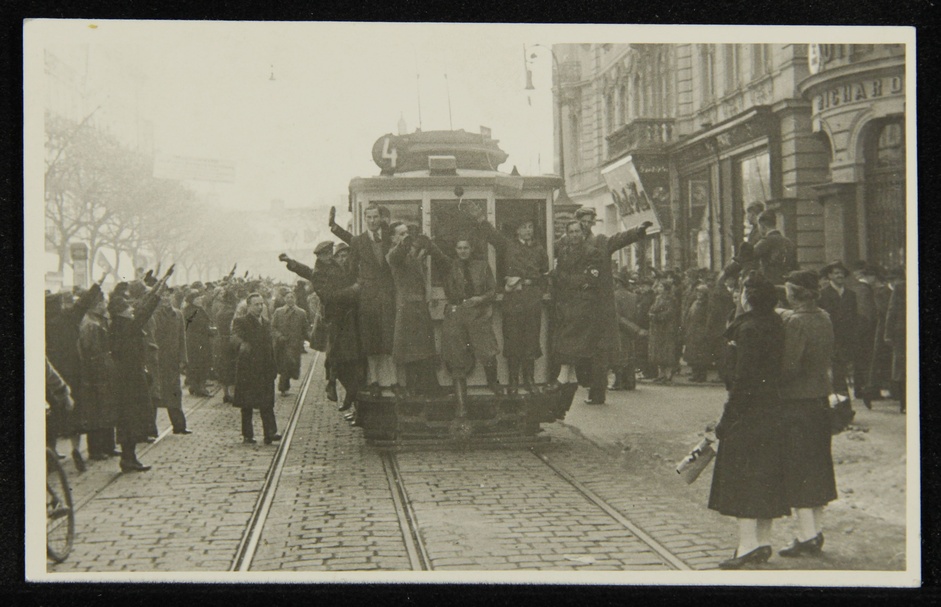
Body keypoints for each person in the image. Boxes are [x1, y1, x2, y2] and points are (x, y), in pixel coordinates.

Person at [708, 273, 790, 569]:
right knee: (766, 476)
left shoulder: (747, 329)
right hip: (772, 410)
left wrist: (726, 418)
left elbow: (743, 379)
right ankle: (763, 542)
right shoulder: (775, 323)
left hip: (747, 414)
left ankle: (746, 545)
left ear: (747, 298)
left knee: (742, 479)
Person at [776, 270, 838, 558]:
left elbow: (789, 366)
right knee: (818, 465)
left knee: (798, 467)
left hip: (797, 401)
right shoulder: (824, 317)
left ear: (793, 293)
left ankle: (806, 535)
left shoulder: (795, 323)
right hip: (820, 399)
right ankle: (816, 530)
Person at [570, 206, 652, 404]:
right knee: (578, 350)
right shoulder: (569, 242)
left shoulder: (600, 242)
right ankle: (585, 385)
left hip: (598, 306)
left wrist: (637, 231)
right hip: (577, 305)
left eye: (590, 221)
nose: (586, 225)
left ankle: (597, 393)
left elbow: (619, 239)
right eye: (583, 222)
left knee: (600, 351)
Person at [471, 212, 548, 394]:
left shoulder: (539, 249)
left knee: (531, 339)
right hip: (513, 300)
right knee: (513, 339)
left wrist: (537, 291)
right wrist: (481, 219)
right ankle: (513, 381)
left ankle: (529, 380)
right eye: (524, 227)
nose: (528, 231)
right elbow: (493, 235)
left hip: (531, 300)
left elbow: (545, 273)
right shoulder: (508, 245)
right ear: (517, 231)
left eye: (530, 227)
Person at [329, 204, 396, 393]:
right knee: (371, 341)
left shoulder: (389, 238)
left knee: (389, 339)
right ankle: (374, 381)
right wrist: (354, 287)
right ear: (365, 219)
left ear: (380, 218)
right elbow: (351, 269)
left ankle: (393, 381)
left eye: (375, 217)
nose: (372, 221)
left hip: (388, 296)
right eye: (369, 218)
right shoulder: (359, 241)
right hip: (368, 298)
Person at [109, 269, 171, 472]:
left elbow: (143, 309)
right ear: (121, 311)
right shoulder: (126, 326)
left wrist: (159, 286)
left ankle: (130, 457)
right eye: (127, 307)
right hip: (131, 379)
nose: (131, 309)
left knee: (129, 420)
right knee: (132, 419)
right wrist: (159, 291)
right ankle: (128, 459)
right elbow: (145, 311)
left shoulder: (118, 325)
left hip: (126, 378)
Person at [427, 237, 501, 405]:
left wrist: (480, 299)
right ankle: (461, 405)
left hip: (476, 311)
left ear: (471, 249)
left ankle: (493, 383)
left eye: (466, 248)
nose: (463, 251)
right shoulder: (449, 265)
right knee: (456, 357)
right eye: (459, 248)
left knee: (488, 350)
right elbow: (435, 252)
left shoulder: (482, 266)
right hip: (455, 312)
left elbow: (492, 290)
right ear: (455, 250)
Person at [46, 275, 104, 471]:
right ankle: (75, 448)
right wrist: (97, 284)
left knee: (53, 416)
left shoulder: (43, 323)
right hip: (74, 371)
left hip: (51, 373)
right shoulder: (69, 318)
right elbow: (84, 303)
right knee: (75, 412)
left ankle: (52, 453)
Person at [386, 223, 444, 396]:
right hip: (407, 308)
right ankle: (415, 389)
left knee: (424, 348)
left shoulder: (413, 257)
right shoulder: (393, 254)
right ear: (393, 238)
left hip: (419, 308)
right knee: (411, 351)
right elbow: (398, 253)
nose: (405, 236)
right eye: (401, 233)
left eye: (407, 233)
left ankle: (428, 387)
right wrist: (408, 241)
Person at [549, 221, 607, 389]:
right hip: (565, 302)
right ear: (567, 234)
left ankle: (563, 377)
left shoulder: (592, 252)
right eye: (571, 232)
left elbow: (590, 279)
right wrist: (565, 278)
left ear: (583, 233)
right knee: (566, 338)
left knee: (570, 339)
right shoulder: (564, 252)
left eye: (577, 231)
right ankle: (570, 378)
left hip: (582, 304)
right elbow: (561, 274)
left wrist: (564, 278)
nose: (574, 235)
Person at [232, 293, 281, 444]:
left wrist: (273, 366)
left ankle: (270, 433)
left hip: (265, 368)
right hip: (248, 369)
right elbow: (235, 338)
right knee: (247, 404)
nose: (260, 307)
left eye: (261, 304)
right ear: (249, 306)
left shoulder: (266, 322)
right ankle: (248, 434)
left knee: (267, 403)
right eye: (256, 304)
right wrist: (242, 345)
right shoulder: (241, 321)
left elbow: (270, 347)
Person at [77, 288, 119, 460]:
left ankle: (109, 445)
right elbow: (89, 350)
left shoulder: (99, 320)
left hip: (104, 369)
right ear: (96, 304)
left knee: (107, 408)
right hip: (96, 372)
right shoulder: (90, 324)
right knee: (97, 411)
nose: (105, 305)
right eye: (102, 302)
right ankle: (96, 449)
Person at [818, 261, 857, 399]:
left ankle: (842, 399)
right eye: (836, 273)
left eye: (842, 273)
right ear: (829, 275)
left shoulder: (851, 294)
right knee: (837, 369)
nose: (840, 276)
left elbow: (854, 316)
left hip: (847, 337)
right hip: (831, 336)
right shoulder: (822, 294)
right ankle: (841, 400)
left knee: (844, 368)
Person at [154, 288, 191, 434]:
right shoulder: (153, 315)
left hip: (172, 360)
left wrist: (183, 358)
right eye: (162, 295)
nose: (165, 298)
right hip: (157, 360)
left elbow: (182, 337)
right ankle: (151, 429)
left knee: (175, 393)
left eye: (167, 295)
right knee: (155, 394)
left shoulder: (178, 314)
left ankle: (179, 426)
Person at [848, 261, 878, 407]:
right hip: (865, 330)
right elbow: (866, 312)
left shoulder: (857, 288)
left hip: (858, 329)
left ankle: (859, 389)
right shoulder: (864, 289)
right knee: (866, 359)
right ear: (870, 276)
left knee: (859, 359)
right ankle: (865, 389)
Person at [611, 269, 645, 391]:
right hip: (631, 330)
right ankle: (630, 382)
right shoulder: (633, 296)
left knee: (619, 356)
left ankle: (618, 382)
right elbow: (638, 314)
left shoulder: (614, 296)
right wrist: (635, 328)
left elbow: (617, 317)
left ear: (618, 283)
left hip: (619, 330)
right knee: (630, 355)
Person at [271, 291, 310, 396]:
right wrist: (279, 336)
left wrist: (311, 339)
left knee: (292, 365)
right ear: (284, 299)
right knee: (284, 365)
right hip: (282, 344)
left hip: (295, 344)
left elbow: (305, 329)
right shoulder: (278, 312)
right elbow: (273, 327)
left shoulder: (301, 313)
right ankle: (283, 387)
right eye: (287, 297)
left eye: (292, 297)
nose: (290, 299)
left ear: (295, 299)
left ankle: (285, 383)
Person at [752, 210, 798, 285]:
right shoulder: (789, 242)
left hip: (770, 286)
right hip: (787, 286)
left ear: (762, 226)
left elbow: (747, 257)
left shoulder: (765, 242)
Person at [183, 290, 213, 397]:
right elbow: (198, 325)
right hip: (198, 341)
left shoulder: (192, 310)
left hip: (194, 340)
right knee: (201, 363)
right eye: (197, 299)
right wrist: (210, 331)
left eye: (200, 298)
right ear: (192, 301)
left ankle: (194, 386)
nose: (200, 300)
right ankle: (200, 388)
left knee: (194, 364)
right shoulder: (194, 311)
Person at [884, 268, 906, 414]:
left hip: (902, 331)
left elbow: (891, 311)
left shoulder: (900, 287)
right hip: (902, 332)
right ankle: (904, 402)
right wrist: (888, 333)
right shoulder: (900, 287)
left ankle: (904, 402)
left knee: (903, 366)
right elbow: (891, 311)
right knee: (902, 367)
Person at [648, 279, 678, 383]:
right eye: (659, 286)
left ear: (666, 289)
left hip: (666, 329)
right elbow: (651, 309)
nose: (659, 288)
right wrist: (651, 314)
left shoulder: (670, 300)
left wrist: (656, 317)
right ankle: (661, 374)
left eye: (661, 287)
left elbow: (669, 313)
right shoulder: (657, 298)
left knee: (666, 352)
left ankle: (667, 375)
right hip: (657, 329)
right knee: (658, 353)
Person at [683, 283, 712, 382]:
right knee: (693, 353)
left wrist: (705, 331)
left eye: (701, 293)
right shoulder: (695, 303)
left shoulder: (707, 304)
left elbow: (708, 319)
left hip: (701, 330)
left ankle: (701, 375)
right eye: (698, 292)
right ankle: (695, 373)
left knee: (701, 354)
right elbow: (689, 316)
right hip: (692, 330)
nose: (699, 294)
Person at [214, 287, 239, 404]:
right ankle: (233, 394)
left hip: (221, 340)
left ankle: (225, 394)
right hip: (230, 340)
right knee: (232, 366)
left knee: (223, 367)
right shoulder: (232, 313)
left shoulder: (220, 311)